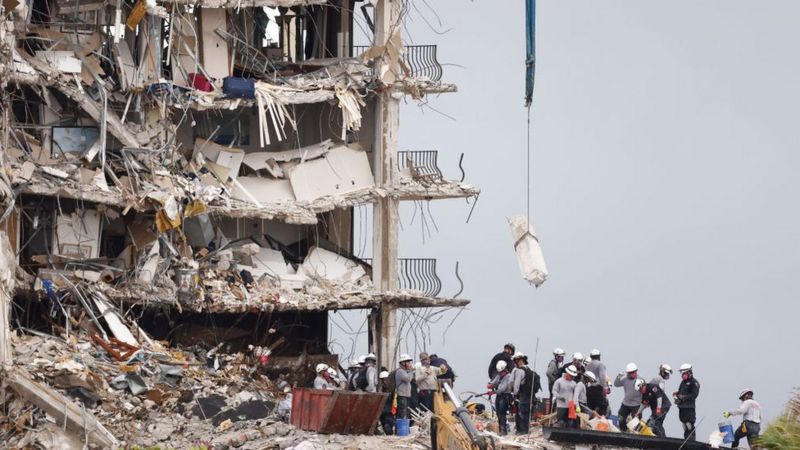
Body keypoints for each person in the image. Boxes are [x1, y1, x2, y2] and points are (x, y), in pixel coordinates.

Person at [511, 352, 540, 435]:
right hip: (530, 395)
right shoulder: (529, 370)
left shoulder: (519, 371)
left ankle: (521, 431)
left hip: (522, 395)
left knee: (521, 412)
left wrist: (514, 394)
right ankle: (526, 430)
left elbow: (516, 385)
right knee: (527, 413)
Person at [637, 372, 671, 437]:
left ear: (643, 385)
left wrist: (658, 408)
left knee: (656, 422)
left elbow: (659, 397)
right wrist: (638, 413)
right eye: (639, 390)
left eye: (641, 389)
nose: (641, 391)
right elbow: (643, 404)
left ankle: (663, 439)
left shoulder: (652, 387)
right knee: (649, 423)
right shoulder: (644, 395)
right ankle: (654, 437)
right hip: (655, 409)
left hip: (663, 406)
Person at [674, 363, 700, 440]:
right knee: (684, 424)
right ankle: (686, 439)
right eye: (682, 374)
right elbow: (680, 391)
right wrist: (677, 395)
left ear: (689, 372)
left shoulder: (694, 382)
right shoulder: (683, 382)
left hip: (689, 407)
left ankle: (692, 440)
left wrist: (684, 397)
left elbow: (694, 395)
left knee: (689, 424)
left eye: (684, 373)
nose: (682, 375)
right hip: (682, 407)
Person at [614, 362, 642, 432]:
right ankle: (624, 432)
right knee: (621, 417)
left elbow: (645, 392)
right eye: (631, 372)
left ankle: (638, 437)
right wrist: (618, 377)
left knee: (636, 422)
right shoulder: (624, 379)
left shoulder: (641, 380)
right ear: (628, 373)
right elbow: (616, 384)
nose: (633, 374)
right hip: (626, 403)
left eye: (634, 372)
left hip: (636, 405)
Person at [585, 349, 609, 415]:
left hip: (589, 388)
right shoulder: (600, 364)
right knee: (603, 405)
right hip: (598, 388)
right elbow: (602, 377)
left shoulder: (588, 365)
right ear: (599, 356)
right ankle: (602, 420)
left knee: (590, 407)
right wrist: (605, 388)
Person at [395, 354, 415, 419]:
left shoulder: (405, 372)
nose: (409, 363)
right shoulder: (400, 371)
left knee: (406, 413)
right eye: (408, 362)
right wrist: (411, 371)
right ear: (403, 363)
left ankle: (404, 428)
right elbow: (408, 379)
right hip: (402, 396)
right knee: (402, 413)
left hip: (406, 395)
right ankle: (401, 428)